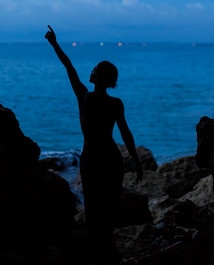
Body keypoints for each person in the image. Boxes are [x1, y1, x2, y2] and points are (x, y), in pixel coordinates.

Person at [44, 25, 143, 265]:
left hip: (91, 157)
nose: (91, 70)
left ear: (97, 76)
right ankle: (105, 250)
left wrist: (54, 43)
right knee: (109, 205)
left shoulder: (85, 96)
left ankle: (97, 251)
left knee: (93, 206)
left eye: (95, 69)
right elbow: (126, 134)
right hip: (111, 158)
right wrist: (136, 161)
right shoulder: (116, 103)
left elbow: (69, 67)